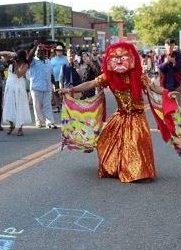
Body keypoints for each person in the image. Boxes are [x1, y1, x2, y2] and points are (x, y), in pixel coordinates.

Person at [59, 42, 167, 182]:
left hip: (137, 116)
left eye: (123, 57)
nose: (120, 61)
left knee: (134, 144)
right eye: (116, 59)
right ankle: (116, 167)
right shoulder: (108, 76)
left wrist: (167, 93)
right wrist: (70, 90)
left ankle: (138, 172)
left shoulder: (138, 76)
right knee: (105, 138)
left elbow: (154, 87)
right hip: (120, 115)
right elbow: (90, 84)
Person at [27, 44, 58, 129]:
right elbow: (29, 58)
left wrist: (55, 84)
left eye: (41, 51)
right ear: (35, 53)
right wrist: (34, 47)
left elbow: (51, 74)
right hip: (36, 87)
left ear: (44, 53)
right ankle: (39, 121)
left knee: (47, 106)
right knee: (37, 106)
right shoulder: (33, 61)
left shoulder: (48, 61)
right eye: (38, 51)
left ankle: (50, 123)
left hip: (47, 87)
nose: (39, 52)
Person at [2, 51, 32, 136]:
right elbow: (0, 53)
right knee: (9, 105)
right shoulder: (11, 62)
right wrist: (10, 54)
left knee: (20, 106)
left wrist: (15, 64)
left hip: (19, 86)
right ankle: (11, 125)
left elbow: (19, 75)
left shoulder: (25, 65)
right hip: (10, 85)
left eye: (18, 58)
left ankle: (20, 128)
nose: (17, 59)